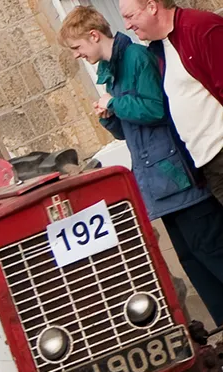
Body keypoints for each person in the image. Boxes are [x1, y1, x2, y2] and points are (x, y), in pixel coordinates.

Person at [63, 7, 223, 323]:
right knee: (193, 261)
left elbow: (154, 111)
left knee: (212, 252)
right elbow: (131, 130)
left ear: (94, 36)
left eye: (77, 47)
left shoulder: (135, 57)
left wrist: (115, 103)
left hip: (177, 177)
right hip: (160, 184)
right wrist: (111, 118)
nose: (77, 55)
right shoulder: (114, 69)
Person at [120, 0, 223, 205]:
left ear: (152, 6)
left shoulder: (201, 27)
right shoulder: (161, 48)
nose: (126, 26)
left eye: (130, 16)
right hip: (208, 164)